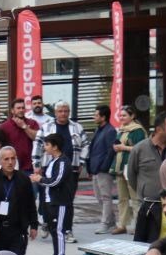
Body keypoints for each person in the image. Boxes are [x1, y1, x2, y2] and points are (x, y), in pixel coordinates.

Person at [32, 102, 86, 241]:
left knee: (68, 201)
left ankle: (67, 230)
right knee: (46, 199)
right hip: (48, 167)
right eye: (60, 111)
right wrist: (36, 163)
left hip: (71, 169)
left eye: (66, 111)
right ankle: (47, 223)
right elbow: (37, 144)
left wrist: (81, 162)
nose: (63, 113)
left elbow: (86, 145)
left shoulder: (77, 127)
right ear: (55, 113)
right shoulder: (47, 127)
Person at [127, 112, 166, 243]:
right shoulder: (139, 149)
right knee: (147, 246)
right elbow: (132, 176)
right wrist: (144, 190)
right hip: (149, 208)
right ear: (159, 129)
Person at [0, 146, 38, 255]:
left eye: (13, 158)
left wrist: (34, 225)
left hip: (17, 231)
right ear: (0, 161)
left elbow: (30, 203)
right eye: (6, 159)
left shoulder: (23, 179)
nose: (10, 162)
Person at [32, 134, 71, 255]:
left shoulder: (63, 162)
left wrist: (40, 180)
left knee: (59, 230)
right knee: (54, 230)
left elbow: (56, 181)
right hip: (50, 200)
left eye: (47, 145)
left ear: (55, 147)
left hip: (59, 201)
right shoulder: (52, 162)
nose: (45, 147)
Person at [112, 107, 147, 234]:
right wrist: (116, 148)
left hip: (131, 167)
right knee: (122, 198)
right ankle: (122, 224)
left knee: (135, 198)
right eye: (120, 116)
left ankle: (138, 224)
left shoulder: (138, 130)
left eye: (124, 115)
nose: (121, 118)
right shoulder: (121, 130)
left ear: (132, 116)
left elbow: (141, 148)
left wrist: (123, 147)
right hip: (120, 167)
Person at [87, 104, 119, 234]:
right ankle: (111, 222)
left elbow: (110, 151)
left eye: (96, 115)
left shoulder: (110, 131)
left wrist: (103, 167)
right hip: (95, 169)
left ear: (103, 117)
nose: (94, 117)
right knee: (99, 197)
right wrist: (90, 168)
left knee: (106, 197)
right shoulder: (98, 130)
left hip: (103, 170)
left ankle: (105, 223)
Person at [0, 98, 37, 173]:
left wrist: (24, 126)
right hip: (10, 168)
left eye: (23, 108)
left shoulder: (32, 123)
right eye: (18, 108)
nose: (21, 110)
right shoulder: (4, 126)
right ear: (12, 110)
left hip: (29, 168)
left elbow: (36, 138)